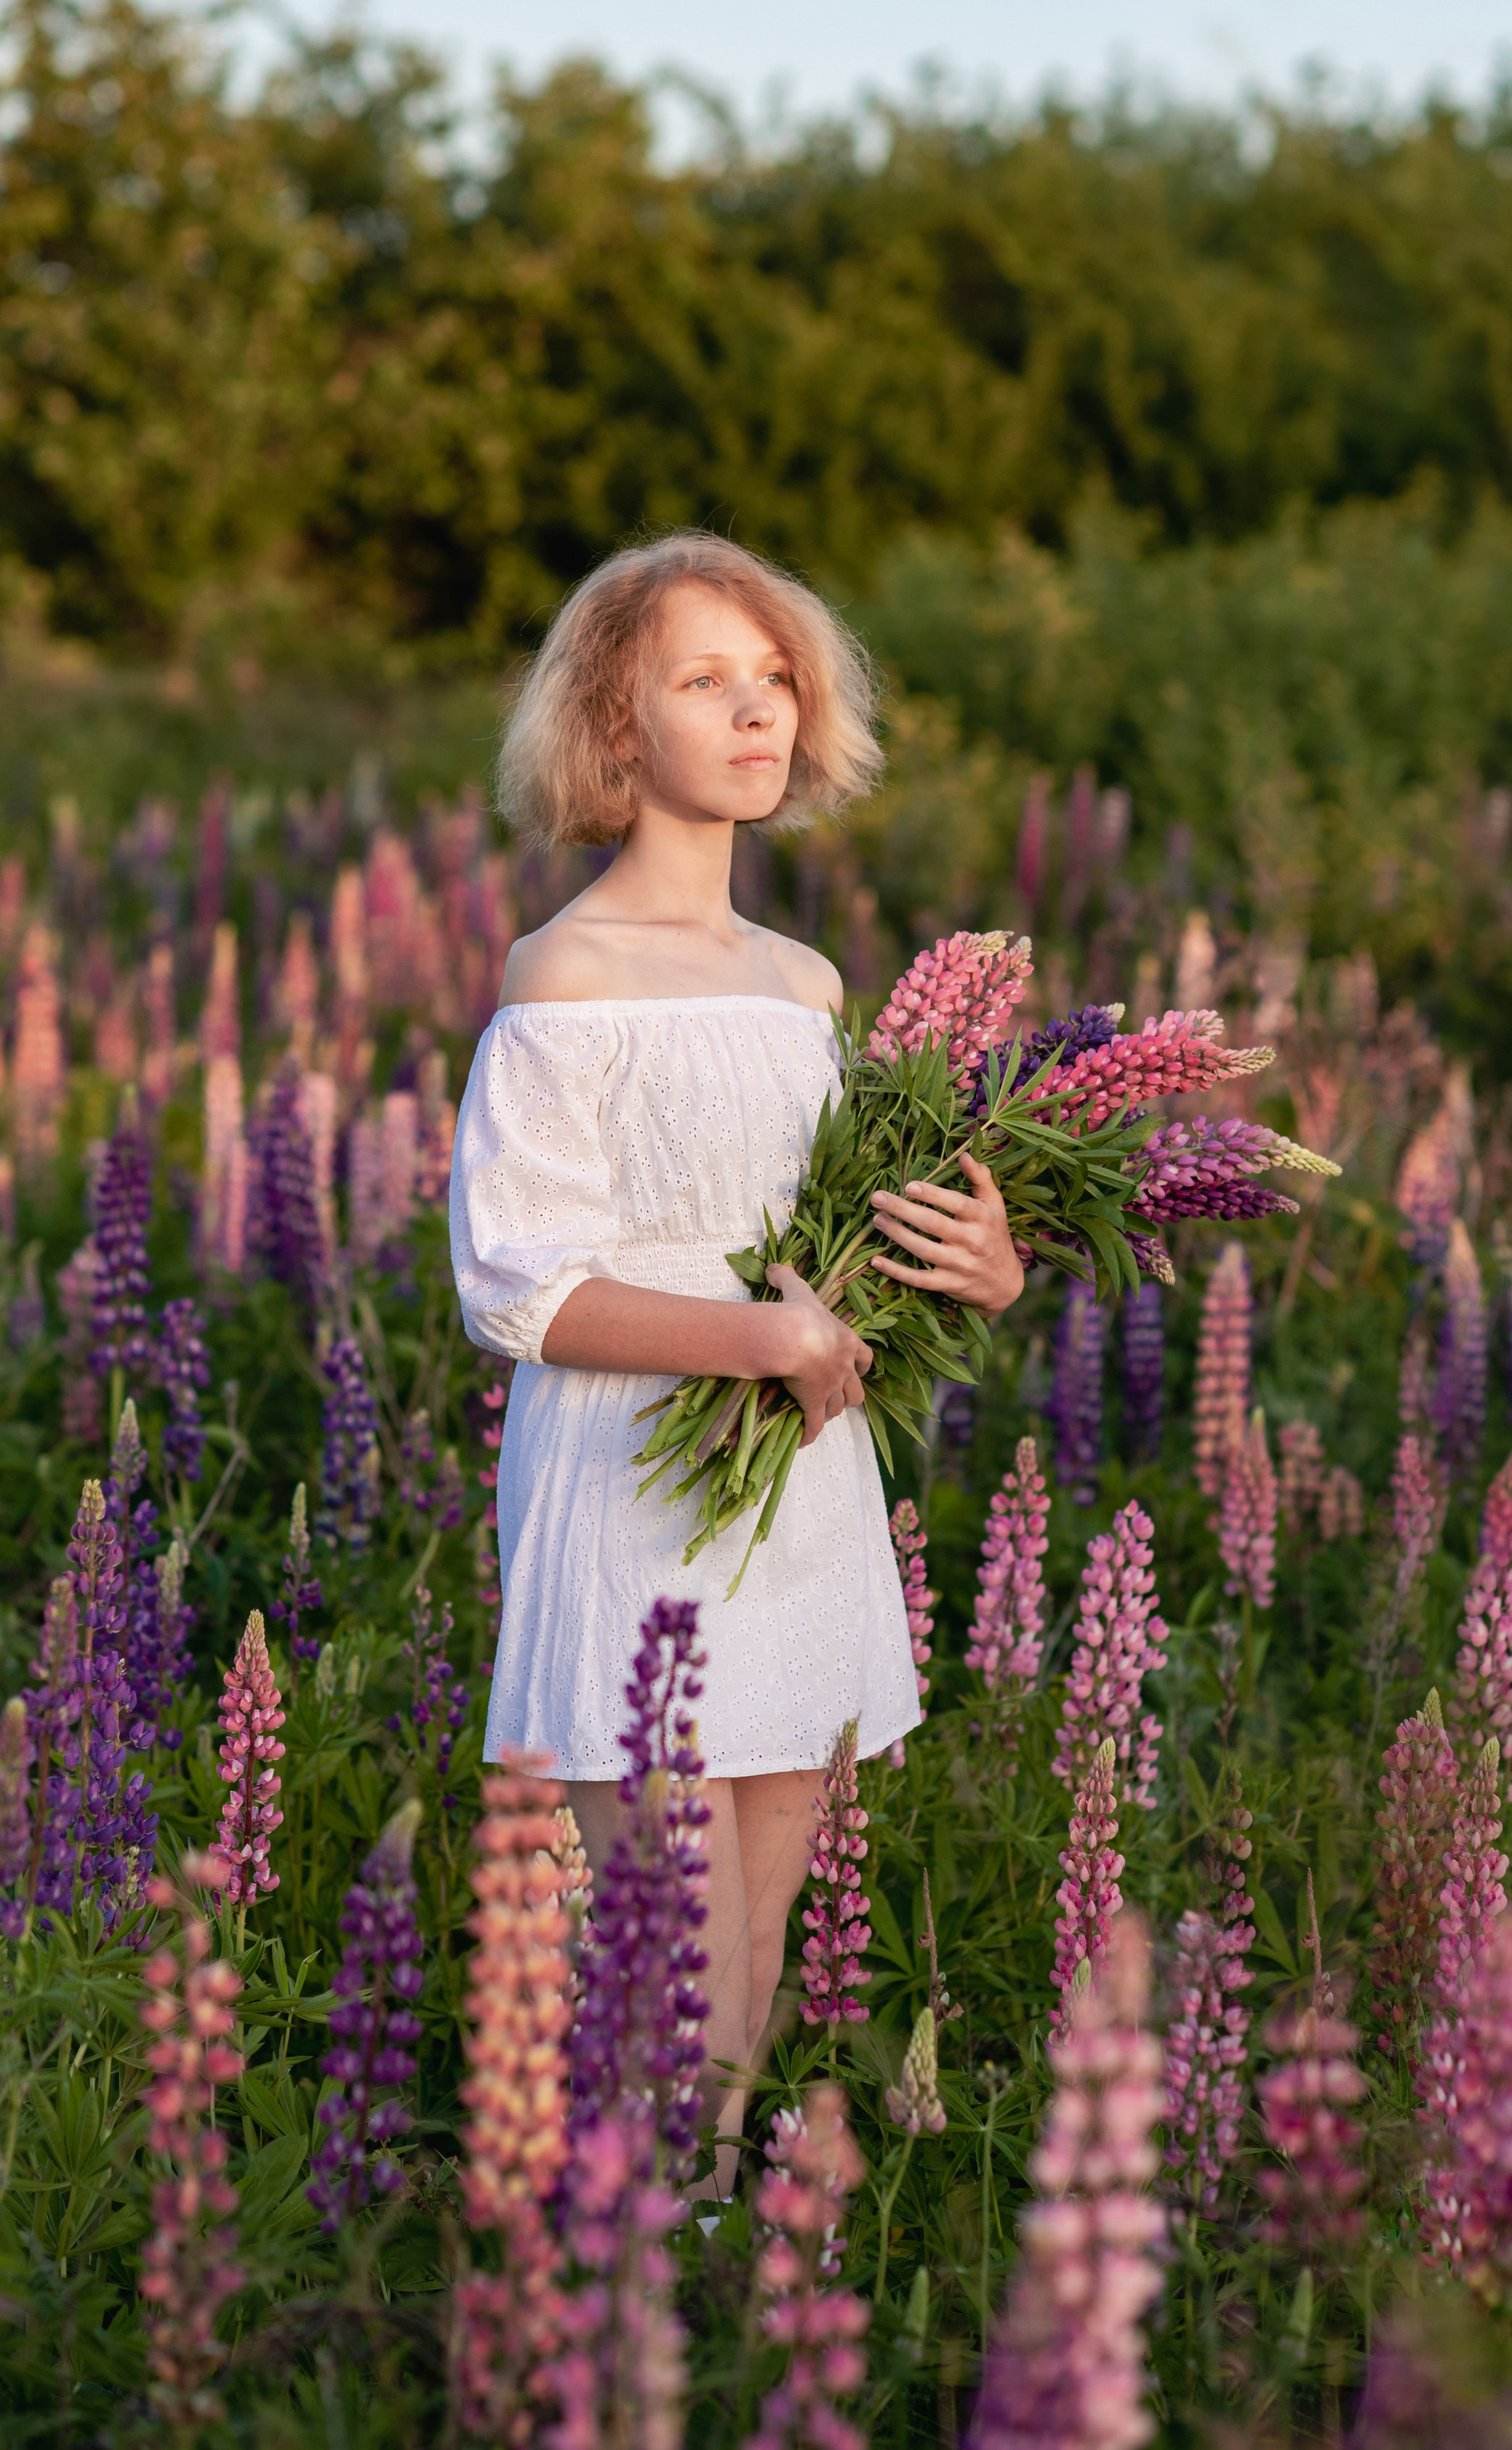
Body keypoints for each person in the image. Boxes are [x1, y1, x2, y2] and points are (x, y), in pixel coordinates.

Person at [449, 532, 1025, 2190]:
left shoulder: (805, 983)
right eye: (704, 678)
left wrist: (981, 1268)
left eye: (774, 676)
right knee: (660, 1917)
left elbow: (839, 1255)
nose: (756, 709)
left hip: (799, 1490)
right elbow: (523, 1290)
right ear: (615, 728)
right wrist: (761, 1334)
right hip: (635, 1477)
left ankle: (688, 2239)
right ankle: (618, 2257)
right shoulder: (561, 973)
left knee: (757, 1923)